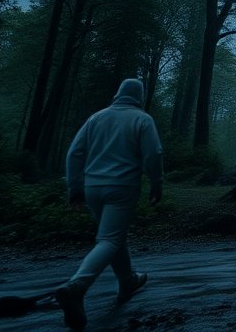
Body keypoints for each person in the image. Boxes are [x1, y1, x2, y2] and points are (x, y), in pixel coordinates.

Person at [54, 78, 164, 329]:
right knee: (110, 239)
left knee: (113, 236)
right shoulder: (142, 119)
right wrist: (157, 181)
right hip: (122, 187)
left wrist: (74, 187)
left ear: (117, 94)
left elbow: (75, 153)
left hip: (92, 187)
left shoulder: (96, 118)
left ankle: (127, 282)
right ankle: (76, 286)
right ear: (140, 97)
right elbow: (153, 153)